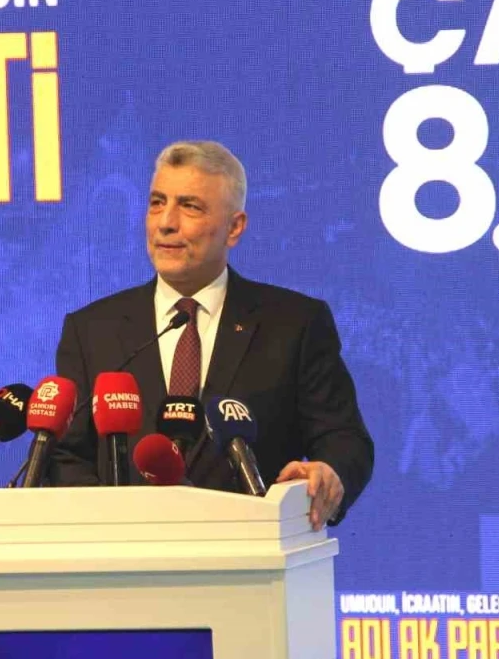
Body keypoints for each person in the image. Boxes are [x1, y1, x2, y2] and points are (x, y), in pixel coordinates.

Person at [48, 140, 373, 528]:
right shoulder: (91, 329)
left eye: (190, 206)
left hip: (248, 551)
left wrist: (328, 473)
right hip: (123, 554)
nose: (166, 222)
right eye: (157, 203)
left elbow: (344, 439)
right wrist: (109, 528)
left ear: (234, 228)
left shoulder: (294, 324)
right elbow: (65, 456)